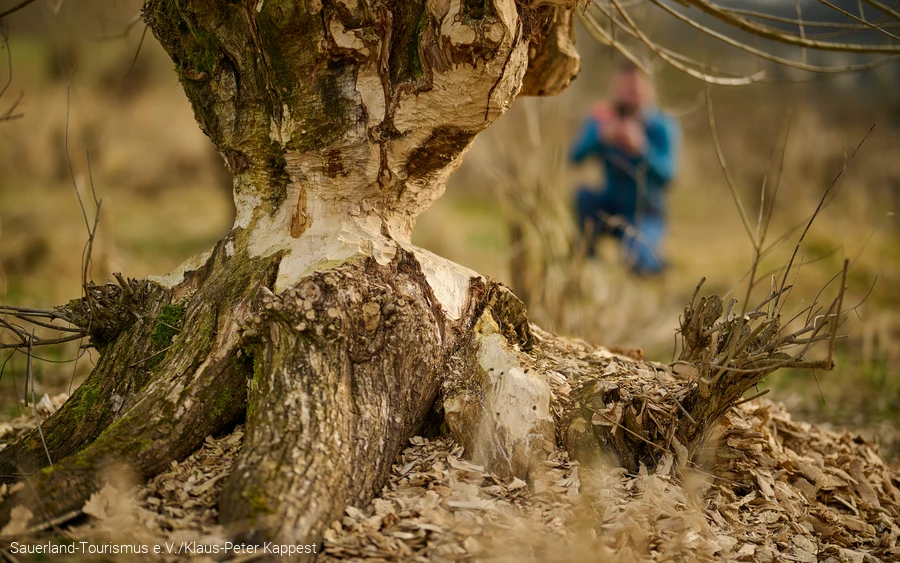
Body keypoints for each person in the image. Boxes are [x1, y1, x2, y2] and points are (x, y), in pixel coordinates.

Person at [569, 62, 680, 276]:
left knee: (639, 265)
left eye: (636, 89)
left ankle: (654, 259)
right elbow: (575, 157)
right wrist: (600, 138)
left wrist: (642, 149)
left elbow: (668, 177)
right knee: (584, 196)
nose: (631, 95)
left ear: (649, 90)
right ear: (615, 88)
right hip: (609, 205)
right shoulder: (603, 119)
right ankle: (587, 260)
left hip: (646, 212)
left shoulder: (662, 126)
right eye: (625, 88)